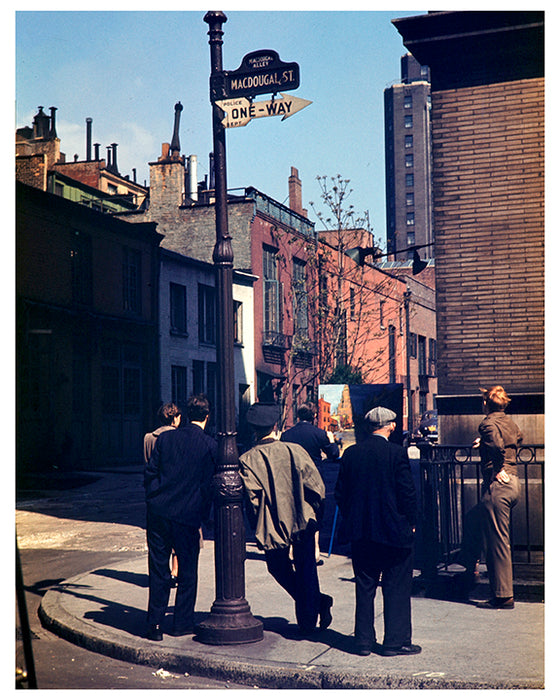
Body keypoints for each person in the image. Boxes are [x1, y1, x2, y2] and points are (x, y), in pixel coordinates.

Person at [239, 402, 333, 635]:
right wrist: (314, 514)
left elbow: (252, 501)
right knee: (306, 567)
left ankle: (314, 607)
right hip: (303, 518)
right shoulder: (295, 450)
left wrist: (256, 526)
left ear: (253, 430)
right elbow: (317, 487)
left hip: (271, 523)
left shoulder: (247, 459)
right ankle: (311, 614)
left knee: (277, 567)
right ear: (275, 426)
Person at [335, 406, 421, 657]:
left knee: (365, 586)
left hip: (362, 532)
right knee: (396, 586)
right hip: (394, 532)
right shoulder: (396, 453)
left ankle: (363, 641)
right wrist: (412, 521)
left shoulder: (351, 454)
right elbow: (407, 492)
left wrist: (355, 516)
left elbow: (340, 493)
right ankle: (395, 641)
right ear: (390, 426)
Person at [144, 394, 217, 641]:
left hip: (159, 513)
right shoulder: (210, 445)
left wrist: (154, 498)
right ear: (207, 416)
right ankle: (181, 623)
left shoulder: (166, 439)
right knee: (187, 571)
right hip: (187, 516)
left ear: (186, 415)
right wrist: (205, 516)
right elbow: (209, 486)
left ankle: (154, 624)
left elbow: (150, 473)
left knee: (158, 569)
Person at [474, 385, 523, 610]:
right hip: (513, 483)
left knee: (497, 543)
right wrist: (483, 444)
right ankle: (502, 594)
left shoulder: (487, 423)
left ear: (486, 404)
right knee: (500, 540)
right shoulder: (509, 422)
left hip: (499, 486)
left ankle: (503, 596)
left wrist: (498, 468)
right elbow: (517, 438)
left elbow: (496, 444)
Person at [281, 402, 340, 565]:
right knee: (315, 514)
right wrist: (331, 440)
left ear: (298, 415)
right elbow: (334, 454)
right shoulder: (319, 434)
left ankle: (293, 552)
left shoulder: (287, 435)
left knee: (293, 512)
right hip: (314, 480)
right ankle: (315, 553)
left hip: (292, 479)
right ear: (314, 417)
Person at [143, 403, 182, 582]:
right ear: (175, 418)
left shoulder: (148, 438)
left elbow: (147, 464)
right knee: (179, 537)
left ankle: (163, 575)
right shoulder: (178, 437)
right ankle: (176, 571)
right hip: (176, 492)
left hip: (156, 493)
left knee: (159, 541)